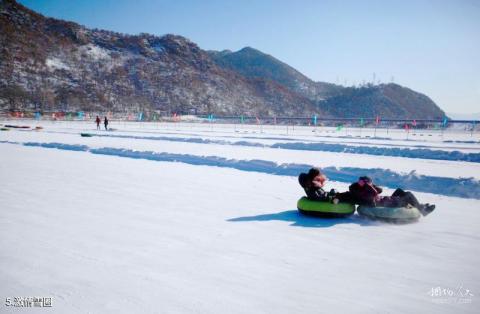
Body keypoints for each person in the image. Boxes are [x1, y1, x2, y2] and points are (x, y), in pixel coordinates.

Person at [349, 176, 435, 216]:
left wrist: (370, 185)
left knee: (399, 191)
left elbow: (380, 190)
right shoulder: (363, 191)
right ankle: (422, 210)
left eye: (362, 182)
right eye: (360, 181)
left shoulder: (369, 188)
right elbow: (374, 193)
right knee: (408, 194)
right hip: (386, 204)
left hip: (386, 200)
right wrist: (369, 186)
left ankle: (419, 206)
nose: (360, 183)